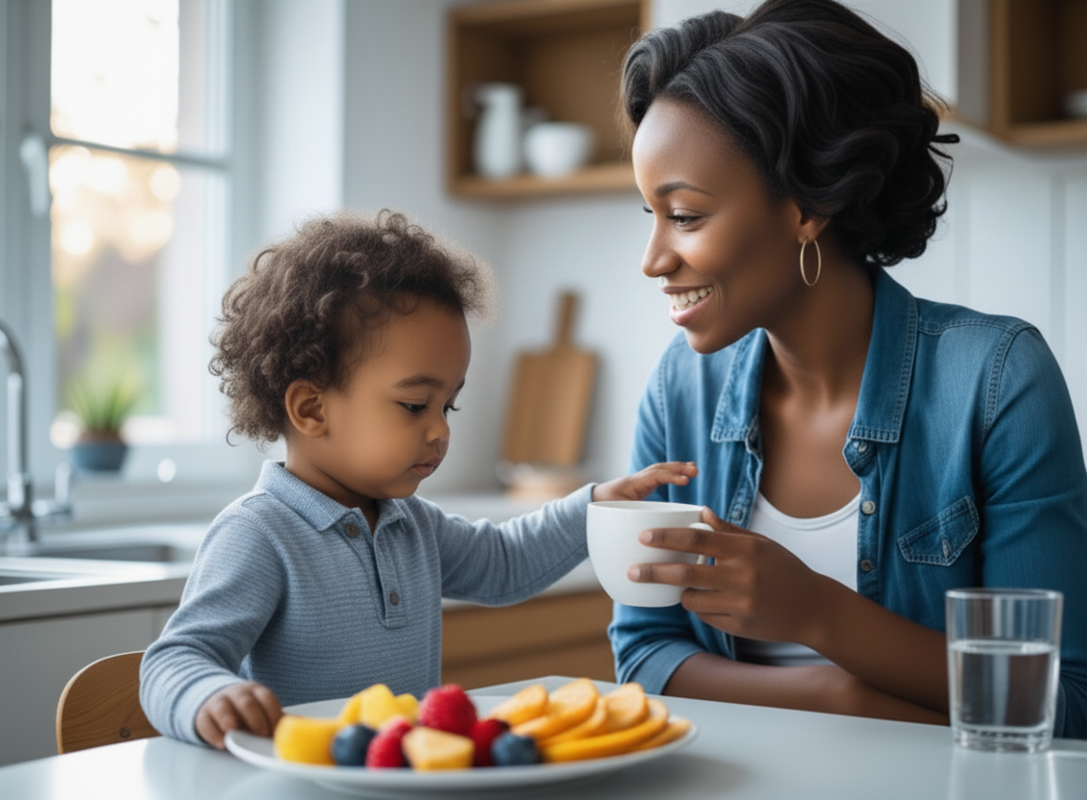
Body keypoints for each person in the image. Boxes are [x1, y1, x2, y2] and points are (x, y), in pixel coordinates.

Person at [609, 0, 1087, 739]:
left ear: (808, 205)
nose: (653, 259)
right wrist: (834, 696)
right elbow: (646, 653)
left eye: (684, 215)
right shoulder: (680, 389)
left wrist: (817, 612)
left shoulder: (998, 382)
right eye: (648, 215)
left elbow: (1066, 702)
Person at [140, 209, 697, 749]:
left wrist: (596, 504)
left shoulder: (412, 525)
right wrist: (210, 695)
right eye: (413, 406)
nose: (439, 432)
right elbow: (174, 660)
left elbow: (505, 563)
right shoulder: (259, 534)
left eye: (447, 407)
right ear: (311, 409)